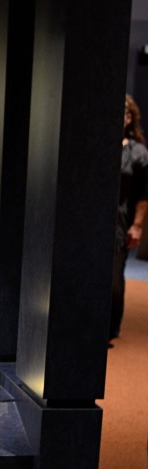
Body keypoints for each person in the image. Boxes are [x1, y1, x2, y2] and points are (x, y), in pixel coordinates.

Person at [110, 94, 148, 344]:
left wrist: (137, 225)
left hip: (120, 222)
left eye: (124, 112)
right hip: (89, 222)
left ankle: (110, 329)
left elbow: (143, 195)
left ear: (130, 118)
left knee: (114, 279)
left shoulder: (139, 153)